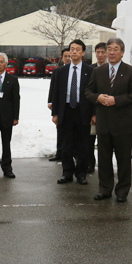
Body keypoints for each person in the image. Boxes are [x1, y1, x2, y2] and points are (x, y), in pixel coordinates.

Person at [85, 38, 132, 202]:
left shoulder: (131, 71)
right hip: (103, 123)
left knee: (123, 160)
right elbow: (88, 92)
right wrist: (98, 97)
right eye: (109, 48)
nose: (111, 52)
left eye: (115, 49)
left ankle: (122, 191)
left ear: (122, 52)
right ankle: (105, 189)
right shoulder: (98, 71)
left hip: (123, 123)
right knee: (104, 159)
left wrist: (116, 100)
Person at [51, 40, 95, 185]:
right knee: (66, 145)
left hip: (83, 111)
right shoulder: (60, 71)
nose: (74, 52)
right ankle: (67, 173)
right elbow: (56, 94)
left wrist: (94, 114)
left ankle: (81, 174)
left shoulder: (91, 71)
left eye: (77, 49)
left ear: (83, 53)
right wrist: (55, 114)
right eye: (72, 49)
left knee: (83, 145)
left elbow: (95, 93)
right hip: (66, 111)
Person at [88, 42, 108, 172]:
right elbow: (88, 92)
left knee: (104, 143)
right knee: (89, 140)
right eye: (98, 52)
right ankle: (90, 164)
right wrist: (92, 113)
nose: (100, 55)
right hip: (92, 111)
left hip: (107, 112)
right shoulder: (90, 69)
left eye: (102, 52)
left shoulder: (111, 69)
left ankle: (104, 166)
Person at [47, 48, 71, 162]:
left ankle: (72, 154)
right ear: (62, 58)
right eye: (65, 56)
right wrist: (50, 101)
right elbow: (53, 88)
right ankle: (59, 152)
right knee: (60, 131)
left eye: (69, 56)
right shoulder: (58, 71)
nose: (67, 58)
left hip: (72, 106)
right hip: (60, 106)